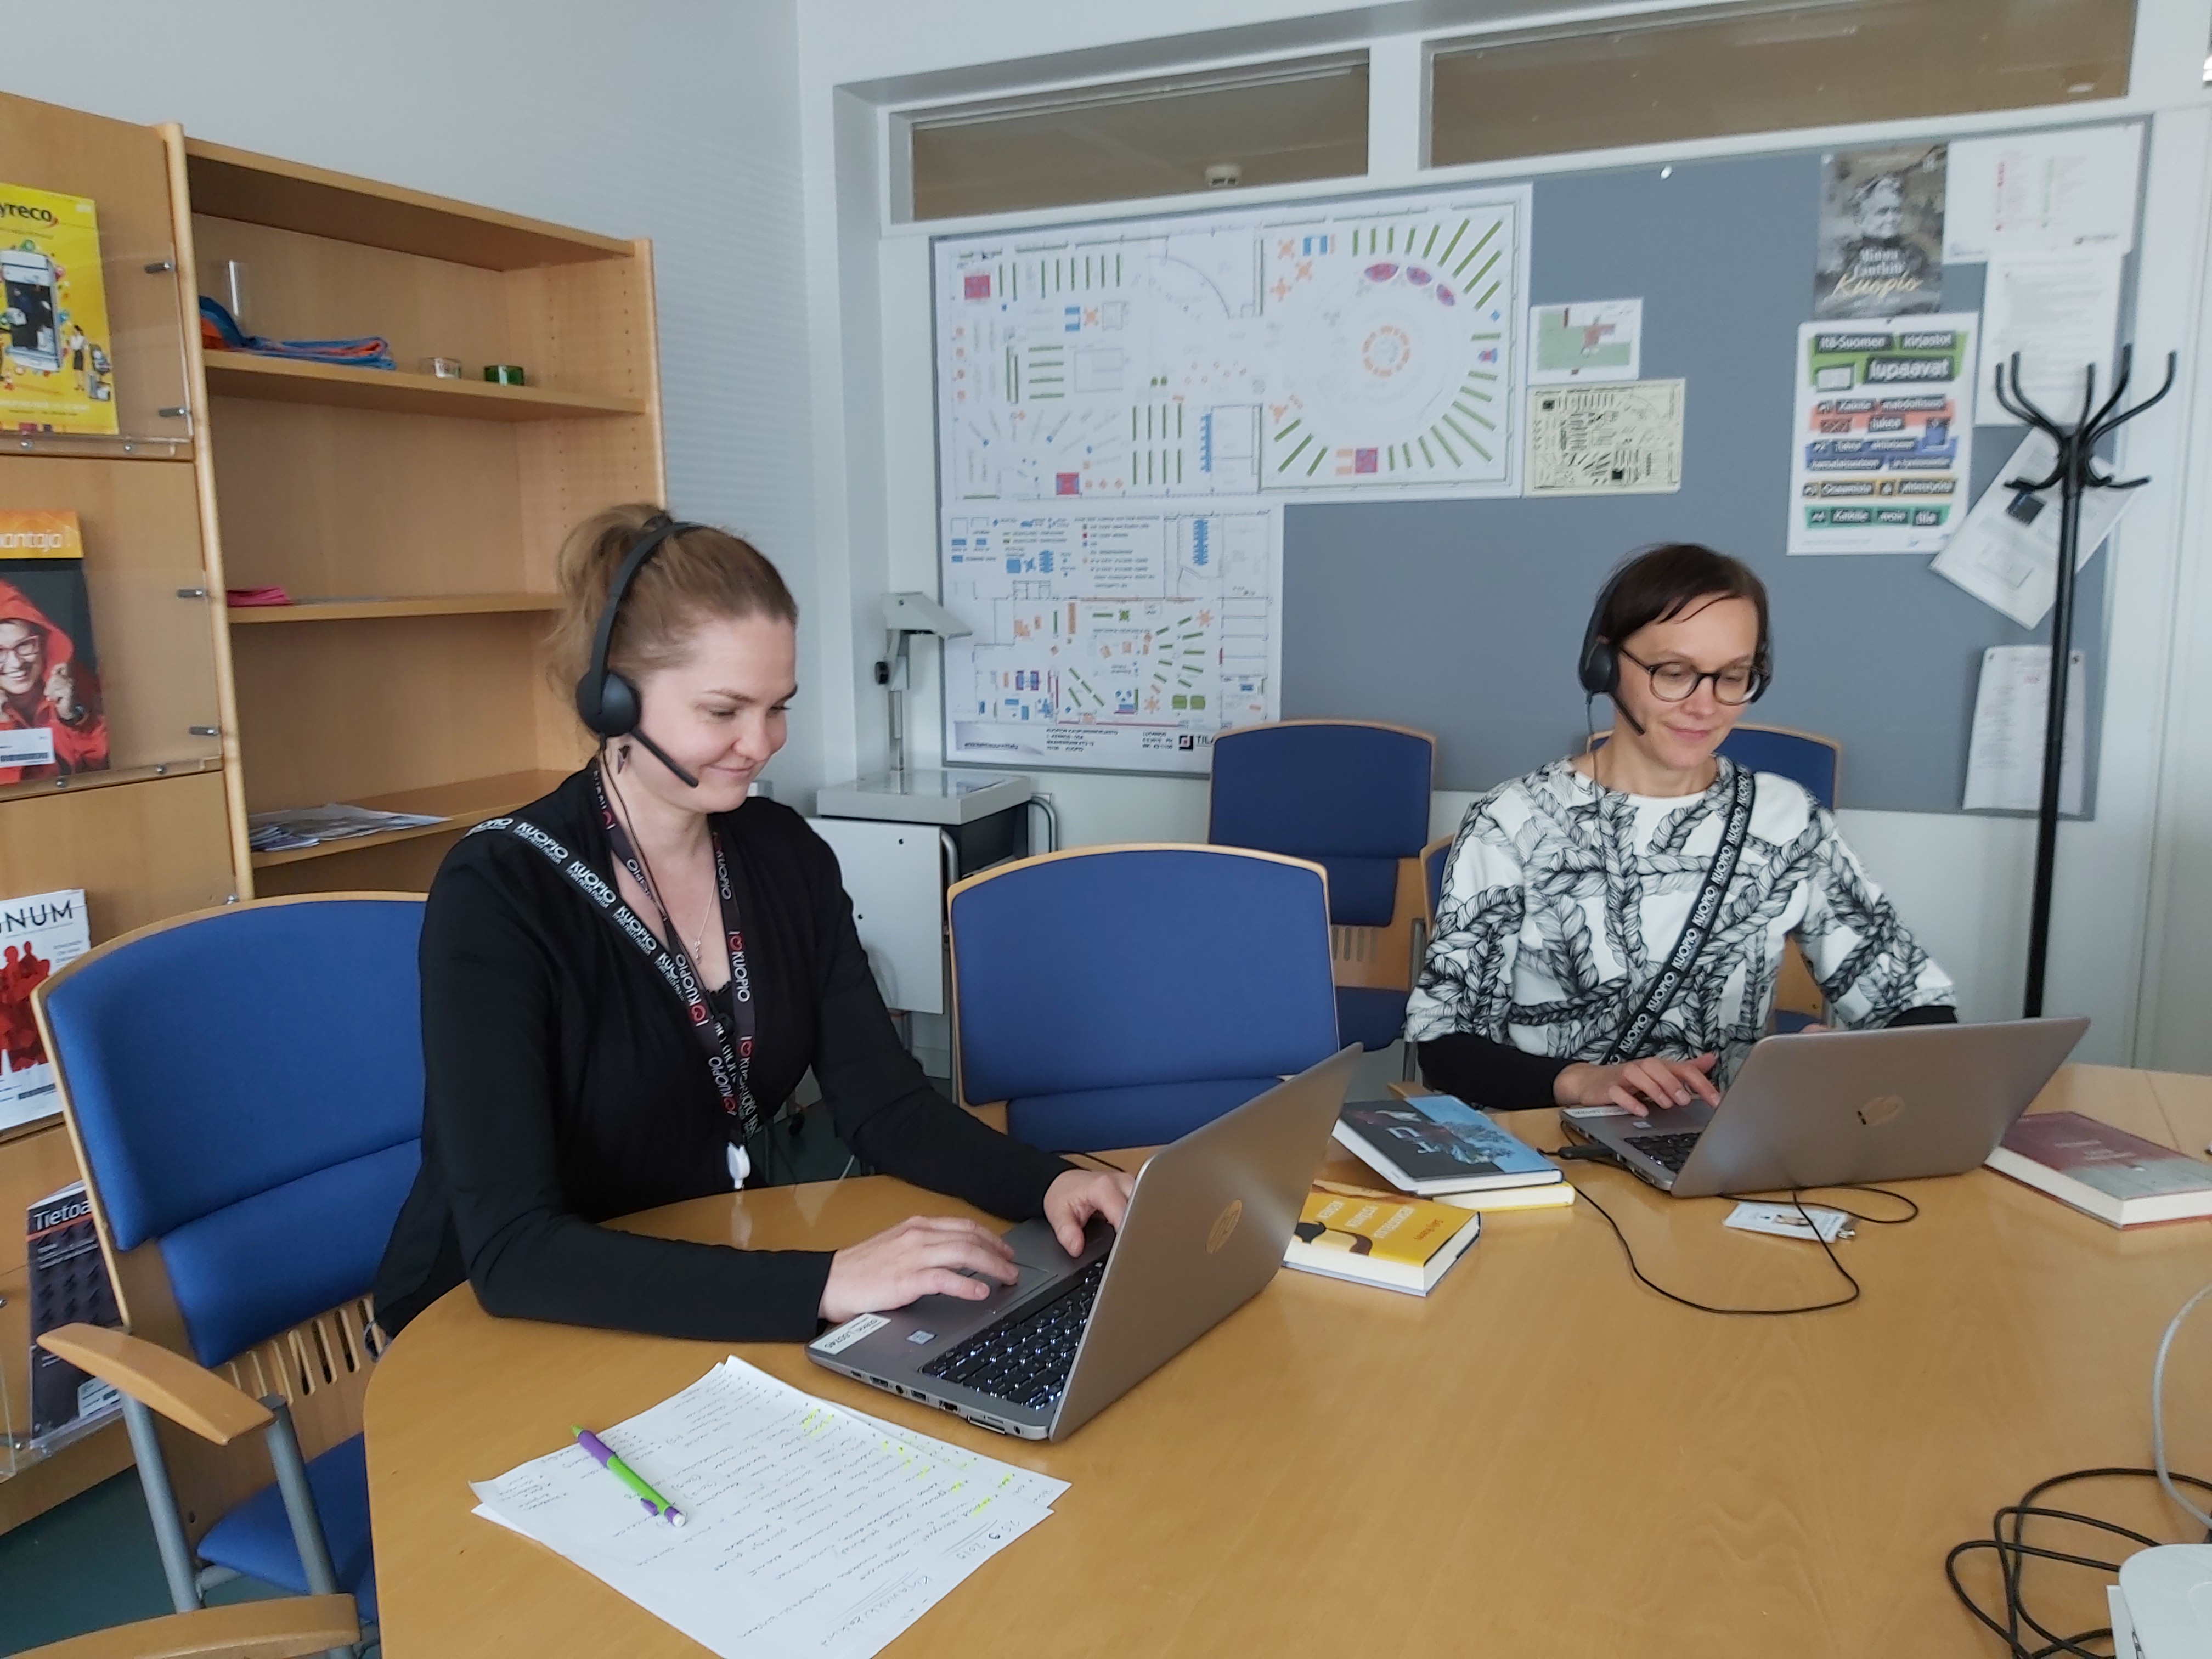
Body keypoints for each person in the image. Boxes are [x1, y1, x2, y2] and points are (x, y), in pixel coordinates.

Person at [373, 505, 1132, 1342]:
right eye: (723, 711)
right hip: (494, 1327)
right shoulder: (499, 890)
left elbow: (885, 1105)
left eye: (778, 707)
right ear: (611, 698)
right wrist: (827, 1281)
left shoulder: (783, 853)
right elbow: (514, 1249)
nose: (761, 743)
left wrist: (1049, 1185)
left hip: (699, 1278)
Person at [1404, 542, 1954, 1118]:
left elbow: (1915, 1001)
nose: (1705, 705)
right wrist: (1582, 1082)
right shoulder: (1514, 821)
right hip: (1548, 1145)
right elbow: (1444, 1046)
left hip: (1725, 1145)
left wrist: (1861, 1061)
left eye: (1733, 676)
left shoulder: (1787, 820)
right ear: (1605, 664)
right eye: (1674, 673)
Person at [0, 581, 105, 785]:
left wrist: (73, 718)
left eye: (25, 645)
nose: (16, 663)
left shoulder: (75, 682)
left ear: (43, 642)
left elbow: (111, 764)